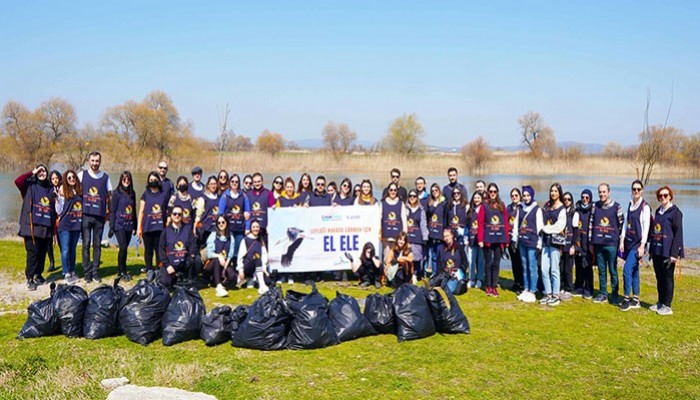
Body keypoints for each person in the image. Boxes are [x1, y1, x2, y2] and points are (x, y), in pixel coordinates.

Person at [16, 165, 56, 290]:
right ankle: (30, 278)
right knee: (33, 253)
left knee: (42, 253)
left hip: (46, 227)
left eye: (44, 171)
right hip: (31, 227)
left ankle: (38, 274)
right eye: (39, 171)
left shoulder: (50, 188)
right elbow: (18, 181)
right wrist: (32, 172)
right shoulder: (29, 185)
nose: (42, 173)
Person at [649, 185, 684, 316]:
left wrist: (675, 254)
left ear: (670, 197)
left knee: (668, 278)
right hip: (657, 250)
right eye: (660, 196)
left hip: (668, 251)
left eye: (665, 195)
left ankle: (667, 305)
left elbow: (678, 234)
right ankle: (660, 301)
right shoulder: (658, 211)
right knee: (659, 277)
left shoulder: (676, 213)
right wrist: (651, 249)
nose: (662, 198)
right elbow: (654, 230)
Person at [78, 151, 112, 283]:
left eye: (97, 161)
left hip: (99, 217)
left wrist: (109, 212)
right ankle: (87, 272)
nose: (94, 163)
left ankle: (95, 271)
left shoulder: (105, 177)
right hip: (85, 215)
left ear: (100, 162)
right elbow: (73, 190)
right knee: (85, 244)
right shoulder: (82, 175)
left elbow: (109, 197)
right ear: (88, 161)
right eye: (92, 160)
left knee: (97, 245)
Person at [618, 180, 651, 311]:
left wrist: (643, 246)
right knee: (635, 271)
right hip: (628, 243)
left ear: (642, 190)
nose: (636, 191)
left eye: (638, 189)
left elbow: (646, 228)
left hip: (638, 245)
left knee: (626, 269)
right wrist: (621, 240)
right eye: (634, 189)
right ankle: (636, 299)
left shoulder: (645, 207)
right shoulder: (630, 205)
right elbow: (625, 225)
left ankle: (626, 298)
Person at [589, 183, 624, 304]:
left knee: (613, 271)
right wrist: (591, 243)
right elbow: (591, 224)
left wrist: (620, 241)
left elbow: (621, 225)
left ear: (609, 192)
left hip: (611, 244)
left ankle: (615, 294)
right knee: (601, 270)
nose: (602, 194)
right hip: (598, 243)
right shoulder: (595, 206)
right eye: (600, 192)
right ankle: (603, 293)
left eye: (604, 192)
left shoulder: (617, 207)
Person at [478, 183, 509, 297]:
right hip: (488, 239)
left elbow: (505, 223)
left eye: (494, 192)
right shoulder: (484, 206)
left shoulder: (502, 205)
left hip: (499, 239)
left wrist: (506, 240)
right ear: (488, 193)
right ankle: (488, 286)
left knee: (496, 263)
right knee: (488, 263)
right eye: (491, 192)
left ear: (497, 192)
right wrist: (480, 239)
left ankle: (494, 286)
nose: (492, 194)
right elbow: (480, 223)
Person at [514, 186, 543, 303]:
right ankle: (526, 288)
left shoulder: (537, 209)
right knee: (524, 266)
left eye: (528, 195)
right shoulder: (520, 208)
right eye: (524, 195)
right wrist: (514, 239)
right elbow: (516, 224)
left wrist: (539, 244)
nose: (526, 198)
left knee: (532, 267)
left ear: (532, 196)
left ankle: (533, 290)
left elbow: (540, 227)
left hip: (532, 242)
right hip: (522, 241)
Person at [218, 173, 250, 275]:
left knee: (237, 252)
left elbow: (248, 213)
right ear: (229, 183)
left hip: (240, 228)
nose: (234, 183)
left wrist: (248, 227)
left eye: (236, 182)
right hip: (229, 228)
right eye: (232, 181)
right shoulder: (224, 196)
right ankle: (226, 272)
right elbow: (220, 214)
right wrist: (221, 228)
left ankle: (236, 273)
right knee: (228, 251)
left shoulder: (244, 196)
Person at [540, 183, 566, 306]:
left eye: (555, 191)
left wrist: (546, 228)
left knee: (554, 269)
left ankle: (556, 294)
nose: (553, 193)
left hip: (555, 242)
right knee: (544, 269)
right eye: (552, 191)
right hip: (546, 242)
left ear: (559, 192)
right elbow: (541, 221)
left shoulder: (562, 209)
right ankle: (548, 293)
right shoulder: (547, 206)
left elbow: (559, 226)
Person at [137, 171, 169, 274]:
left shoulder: (164, 194)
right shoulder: (145, 194)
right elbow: (141, 212)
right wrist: (139, 228)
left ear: (158, 181)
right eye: (151, 180)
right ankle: (149, 269)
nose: (153, 181)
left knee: (159, 250)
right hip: (148, 227)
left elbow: (168, 211)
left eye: (155, 180)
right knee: (148, 250)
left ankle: (159, 269)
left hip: (160, 227)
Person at [158, 205, 197, 289]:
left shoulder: (188, 229)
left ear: (182, 216)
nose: (177, 216)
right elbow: (161, 250)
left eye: (179, 214)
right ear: (171, 215)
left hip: (184, 263)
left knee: (197, 260)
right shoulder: (165, 231)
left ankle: (189, 278)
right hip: (170, 264)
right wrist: (167, 265)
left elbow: (193, 246)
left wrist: (190, 258)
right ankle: (174, 278)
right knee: (165, 283)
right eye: (174, 214)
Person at [109, 171, 136, 281]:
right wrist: (111, 227)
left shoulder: (132, 193)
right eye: (124, 179)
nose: (126, 181)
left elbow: (134, 210)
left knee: (125, 249)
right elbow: (112, 210)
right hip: (119, 224)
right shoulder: (116, 193)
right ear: (121, 180)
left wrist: (135, 225)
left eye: (128, 179)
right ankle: (120, 271)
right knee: (123, 247)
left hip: (129, 224)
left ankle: (124, 269)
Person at [56, 169, 82, 284]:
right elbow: (59, 210)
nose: (72, 179)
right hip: (65, 225)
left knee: (73, 250)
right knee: (65, 250)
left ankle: (72, 271)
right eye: (69, 178)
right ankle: (66, 272)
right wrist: (57, 199)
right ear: (66, 180)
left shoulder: (79, 192)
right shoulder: (63, 192)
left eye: (73, 177)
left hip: (76, 225)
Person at [204, 215, 237, 297]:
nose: (221, 224)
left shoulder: (231, 236)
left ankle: (219, 281)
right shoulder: (213, 235)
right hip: (212, 264)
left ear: (226, 223)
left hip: (224, 263)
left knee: (232, 276)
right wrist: (219, 256)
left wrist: (226, 266)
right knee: (216, 260)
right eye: (218, 223)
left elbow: (230, 254)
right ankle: (218, 286)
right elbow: (209, 254)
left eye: (223, 222)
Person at [237, 219, 270, 295]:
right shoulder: (245, 240)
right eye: (254, 227)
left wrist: (264, 269)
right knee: (257, 259)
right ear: (251, 228)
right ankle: (261, 285)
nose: (256, 229)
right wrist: (240, 270)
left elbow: (264, 256)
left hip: (258, 267)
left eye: (257, 227)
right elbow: (240, 257)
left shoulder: (260, 239)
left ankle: (253, 280)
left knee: (268, 280)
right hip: (247, 266)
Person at [574, 189, 594, 299]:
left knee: (587, 266)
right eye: (583, 197)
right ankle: (578, 286)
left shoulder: (593, 210)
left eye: (587, 197)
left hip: (588, 241)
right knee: (578, 266)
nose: (584, 199)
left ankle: (588, 288)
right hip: (578, 240)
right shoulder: (577, 210)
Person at [559, 192, 580, 301]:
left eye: (569, 199)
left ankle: (568, 288)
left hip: (569, 244)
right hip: (561, 243)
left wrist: (573, 246)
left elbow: (576, 232)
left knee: (568, 268)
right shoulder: (561, 212)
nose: (566, 201)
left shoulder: (574, 213)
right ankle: (561, 287)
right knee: (561, 267)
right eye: (565, 199)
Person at [245, 172, 275, 246]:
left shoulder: (269, 193)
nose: (257, 183)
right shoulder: (248, 194)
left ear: (262, 181)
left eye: (258, 181)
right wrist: (247, 227)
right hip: (252, 229)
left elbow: (273, 211)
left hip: (264, 229)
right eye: (255, 182)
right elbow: (246, 211)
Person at [436, 228, 468, 294]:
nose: (446, 238)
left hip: (456, 274)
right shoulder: (441, 248)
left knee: (448, 290)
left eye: (447, 236)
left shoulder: (459, 246)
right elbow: (439, 265)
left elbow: (465, 262)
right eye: (444, 236)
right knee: (437, 288)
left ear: (452, 235)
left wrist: (459, 273)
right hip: (445, 273)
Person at [406, 189, 429, 280]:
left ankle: (415, 274)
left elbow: (423, 224)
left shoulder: (421, 210)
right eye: (410, 196)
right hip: (407, 237)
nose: (412, 198)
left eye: (414, 196)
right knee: (407, 256)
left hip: (417, 236)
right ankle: (408, 275)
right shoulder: (405, 208)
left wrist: (425, 237)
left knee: (417, 257)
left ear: (417, 198)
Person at [194, 176, 221, 249]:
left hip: (216, 229)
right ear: (208, 185)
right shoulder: (203, 198)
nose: (213, 186)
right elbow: (198, 214)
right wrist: (194, 227)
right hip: (206, 229)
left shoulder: (219, 197)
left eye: (215, 184)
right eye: (211, 184)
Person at [380, 182, 407, 255]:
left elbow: (404, 220)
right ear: (388, 191)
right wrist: (379, 233)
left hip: (397, 238)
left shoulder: (401, 203)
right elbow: (380, 219)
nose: (393, 192)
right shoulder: (382, 203)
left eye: (395, 190)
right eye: (391, 190)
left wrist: (404, 235)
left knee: (397, 259)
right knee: (386, 259)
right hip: (386, 237)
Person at [426, 183, 447, 276]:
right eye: (433, 191)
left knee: (441, 254)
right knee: (433, 254)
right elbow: (428, 214)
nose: (434, 192)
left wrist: (445, 231)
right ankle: (434, 273)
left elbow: (446, 217)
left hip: (440, 232)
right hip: (431, 232)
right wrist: (434, 205)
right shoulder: (430, 203)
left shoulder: (444, 203)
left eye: (436, 190)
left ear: (439, 191)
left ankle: (441, 272)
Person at [466, 191, 485, 289]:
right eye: (475, 198)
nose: (476, 200)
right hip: (471, 240)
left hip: (481, 240)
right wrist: (466, 238)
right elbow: (466, 226)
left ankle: (479, 279)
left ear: (481, 199)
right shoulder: (470, 210)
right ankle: (471, 278)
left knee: (481, 260)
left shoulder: (484, 209)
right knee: (471, 260)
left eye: (478, 198)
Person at [507, 188, 524, 293]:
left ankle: (522, 284)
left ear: (520, 196)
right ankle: (516, 281)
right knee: (514, 262)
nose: (514, 197)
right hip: (510, 238)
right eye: (512, 195)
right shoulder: (508, 208)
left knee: (521, 262)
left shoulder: (523, 207)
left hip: (520, 238)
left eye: (516, 195)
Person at [47, 170, 62, 272]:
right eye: (53, 178)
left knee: (62, 242)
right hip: (50, 219)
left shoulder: (63, 188)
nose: (55, 180)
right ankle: (52, 262)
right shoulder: (48, 190)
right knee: (49, 242)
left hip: (60, 219)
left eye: (56, 178)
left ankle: (64, 262)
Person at [446, 186, 468, 252]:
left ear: (461, 194)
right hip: (451, 233)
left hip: (461, 234)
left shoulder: (466, 205)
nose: (456, 194)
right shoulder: (449, 205)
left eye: (458, 193)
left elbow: (468, 222)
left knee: (461, 253)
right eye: (454, 193)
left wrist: (465, 236)